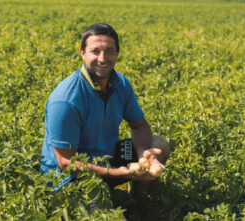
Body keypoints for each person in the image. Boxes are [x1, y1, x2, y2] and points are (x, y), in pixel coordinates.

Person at [41, 23, 170, 195]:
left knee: (159, 144)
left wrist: (144, 155)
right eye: (95, 51)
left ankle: (138, 202)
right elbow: (67, 161)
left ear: (117, 53)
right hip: (70, 176)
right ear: (82, 53)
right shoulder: (66, 100)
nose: (102, 59)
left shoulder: (120, 84)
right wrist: (115, 173)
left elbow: (139, 125)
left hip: (107, 158)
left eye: (109, 51)